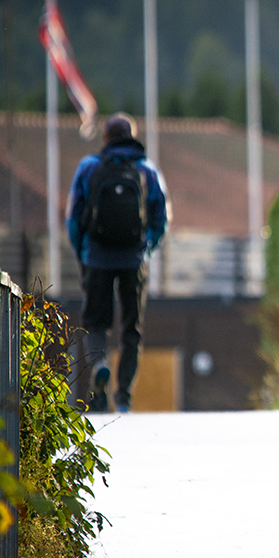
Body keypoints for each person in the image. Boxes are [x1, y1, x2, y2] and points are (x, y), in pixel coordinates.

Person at [67, 112, 169, 414]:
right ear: (132, 136)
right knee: (131, 329)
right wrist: (147, 247)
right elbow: (161, 216)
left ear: (106, 139)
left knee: (95, 323)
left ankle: (99, 364)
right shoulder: (147, 169)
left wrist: (83, 252)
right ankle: (123, 397)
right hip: (134, 258)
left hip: (96, 256)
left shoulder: (89, 168)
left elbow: (74, 218)